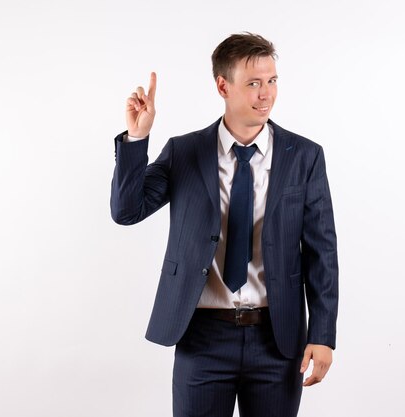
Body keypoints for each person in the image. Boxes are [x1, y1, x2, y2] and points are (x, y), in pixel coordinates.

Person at [111, 32, 339, 417]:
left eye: (272, 81)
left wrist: (323, 334)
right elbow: (126, 210)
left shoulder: (304, 156)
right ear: (223, 86)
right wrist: (138, 136)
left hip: (277, 337)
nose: (265, 94)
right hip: (202, 337)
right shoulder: (185, 152)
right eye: (253, 83)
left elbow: (322, 252)